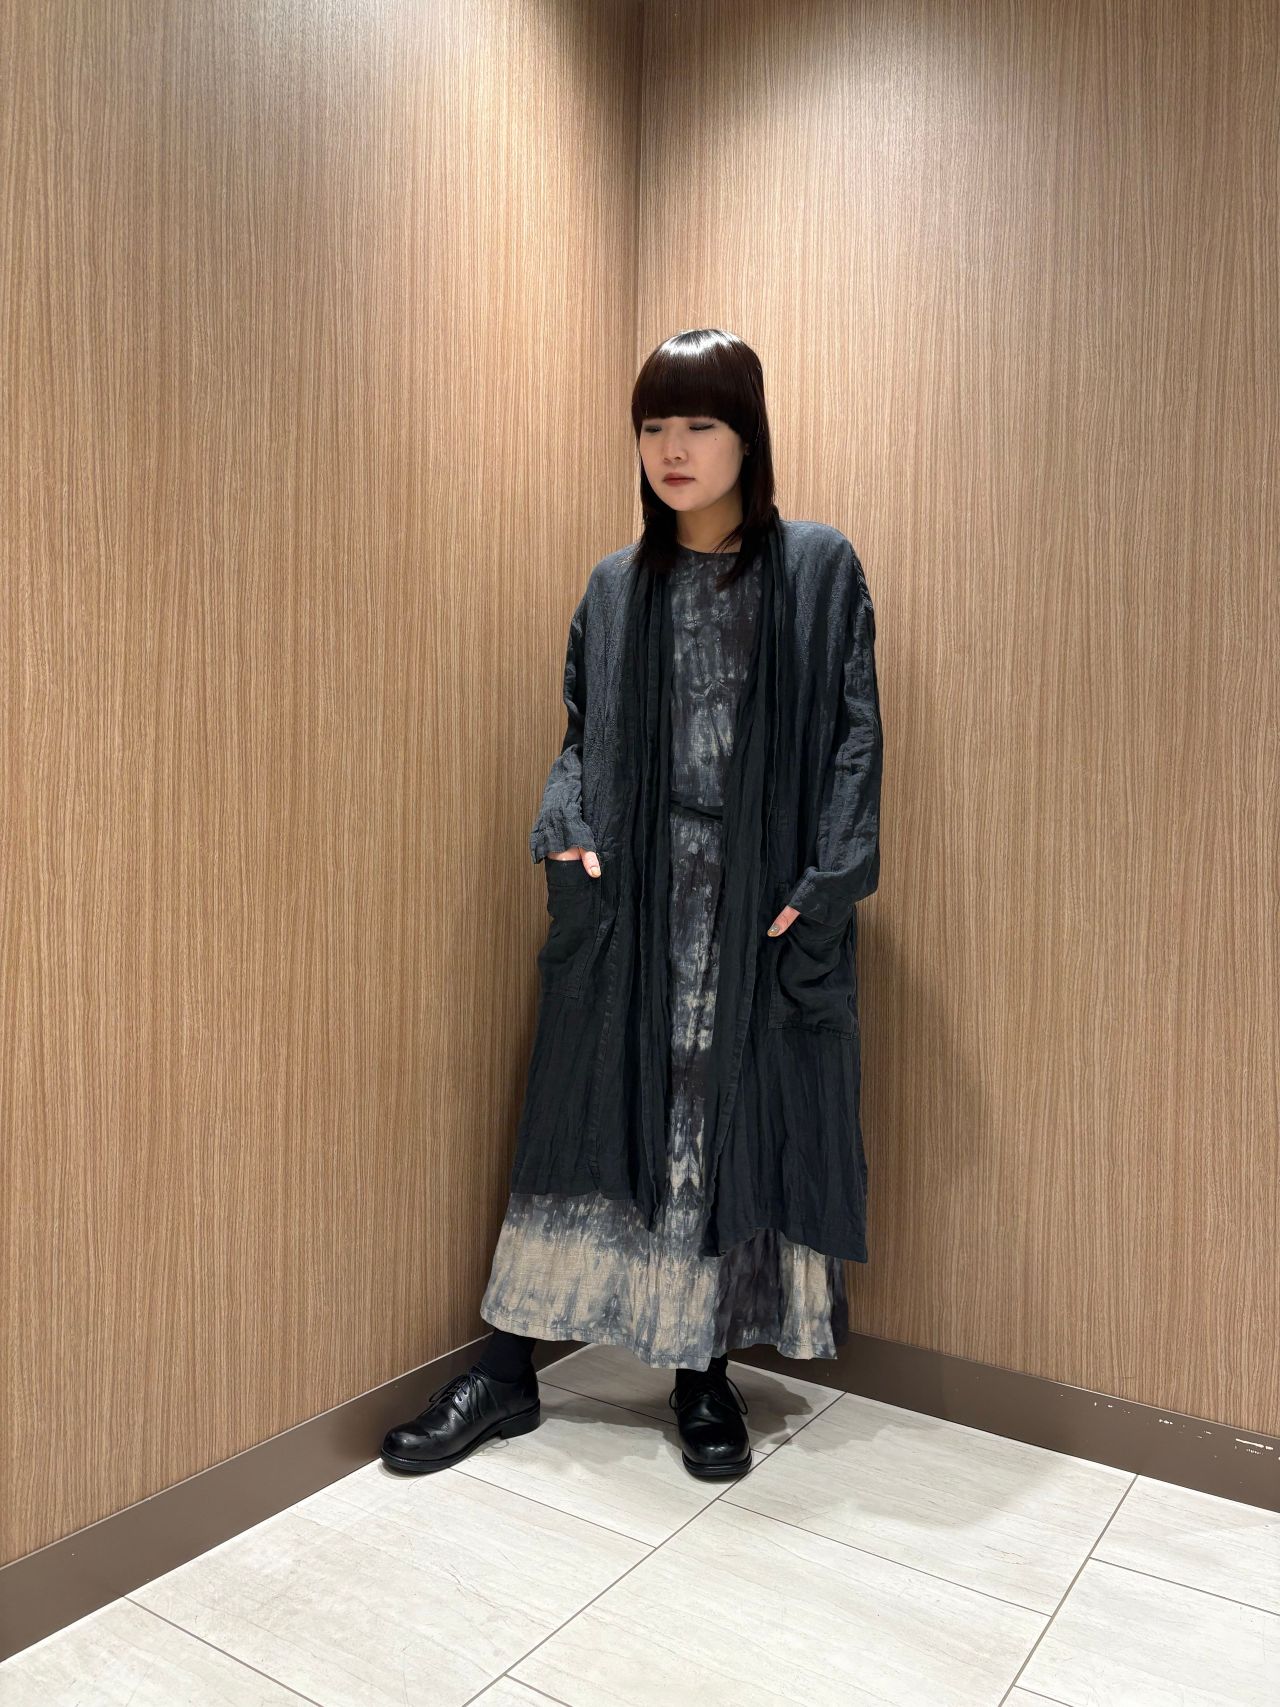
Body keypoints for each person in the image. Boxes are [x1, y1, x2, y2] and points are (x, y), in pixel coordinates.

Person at [382, 329, 882, 1482]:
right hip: (627, 907)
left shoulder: (817, 568)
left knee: (716, 1132)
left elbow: (854, 740)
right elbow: (579, 735)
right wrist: (565, 829)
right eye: (653, 426)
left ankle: (699, 1372)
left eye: (699, 423)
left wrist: (823, 885)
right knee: (579, 1115)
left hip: (754, 909)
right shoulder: (614, 587)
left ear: (747, 436)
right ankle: (507, 1367)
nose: (672, 448)